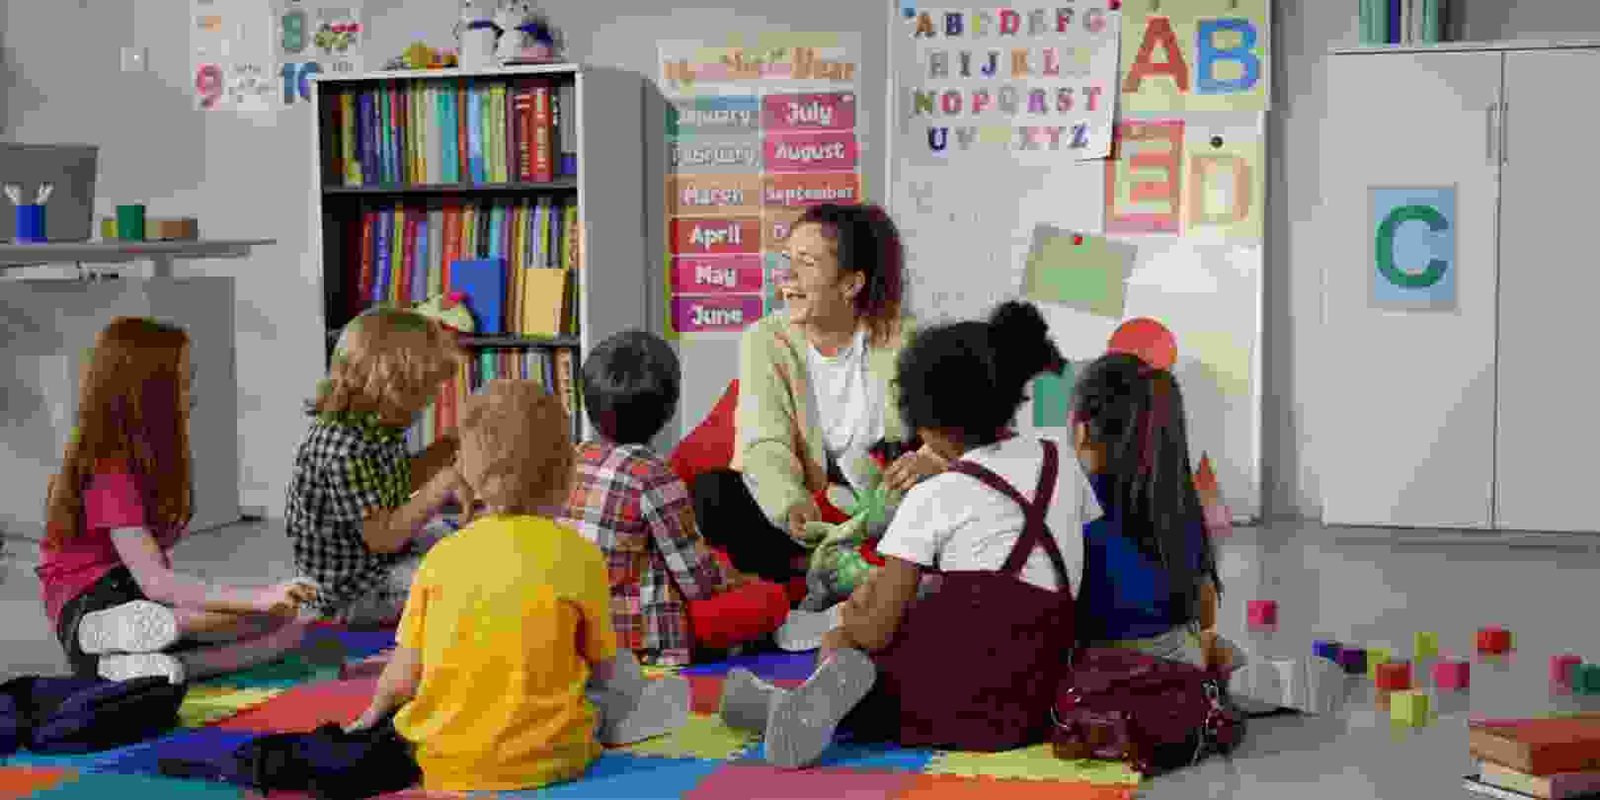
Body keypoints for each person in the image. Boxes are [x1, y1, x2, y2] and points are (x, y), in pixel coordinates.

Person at [716, 301, 1101, 767]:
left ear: (926, 421)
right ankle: (780, 706)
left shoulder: (933, 495)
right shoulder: (1060, 462)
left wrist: (852, 614)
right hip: (1034, 704)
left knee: (842, 644)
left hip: (949, 705)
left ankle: (778, 707)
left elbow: (875, 631)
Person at [345, 380, 689, 793]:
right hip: (555, 758)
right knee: (620, 678)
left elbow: (401, 679)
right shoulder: (579, 556)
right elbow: (603, 668)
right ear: (568, 474)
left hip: (441, 761)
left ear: (470, 476)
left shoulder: (440, 558)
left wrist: (369, 718)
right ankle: (643, 717)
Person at [39, 317, 317, 684]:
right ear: (147, 392)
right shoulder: (108, 469)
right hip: (91, 602)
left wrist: (265, 606)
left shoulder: (142, 459)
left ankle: (153, 665)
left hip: (137, 600)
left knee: (284, 633)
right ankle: (106, 636)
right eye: (183, 382)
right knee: (254, 618)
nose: (192, 394)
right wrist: (260, 598)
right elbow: (156, 581)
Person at [1070, 352, 1343, 713]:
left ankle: (1211, 686)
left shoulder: (1076, 503)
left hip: (1110, 667)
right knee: (1204, 648)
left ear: (1082, 431)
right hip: (1180, 650)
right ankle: (1225, 678)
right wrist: (1202, 640)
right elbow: (1204, 603)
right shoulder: (1177, 502)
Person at [693, 202, 944, 586]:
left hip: (889, 506)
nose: (786, 276)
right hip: (815, 511)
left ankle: (856, 570)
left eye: (806, 263)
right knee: (714, 493)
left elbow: (951, 431)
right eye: (787, 261)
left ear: (850, 285)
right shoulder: (765, 339)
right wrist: (788, 502)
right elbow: (764, 441)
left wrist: (928, 459)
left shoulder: (908, 339)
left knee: (946, 492)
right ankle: (818, 567)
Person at [557, 331, 790, 666]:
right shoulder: (655, 476)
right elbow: (697, 582)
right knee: (770, 598)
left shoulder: (572, 460)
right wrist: (740, 580)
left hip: (578, 631)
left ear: (585, 402)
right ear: (669, 410)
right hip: (638, 641)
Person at [283, 308, 472, 626]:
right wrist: (442, 484)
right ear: (392, 387)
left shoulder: (376, 429)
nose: (427, 405)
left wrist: (451, 443)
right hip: (354, 593)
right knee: (462, 578)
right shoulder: (344, 448)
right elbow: (384, 537)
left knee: (462, 539)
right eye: (423, 393)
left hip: (379, 561)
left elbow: (398, 482)